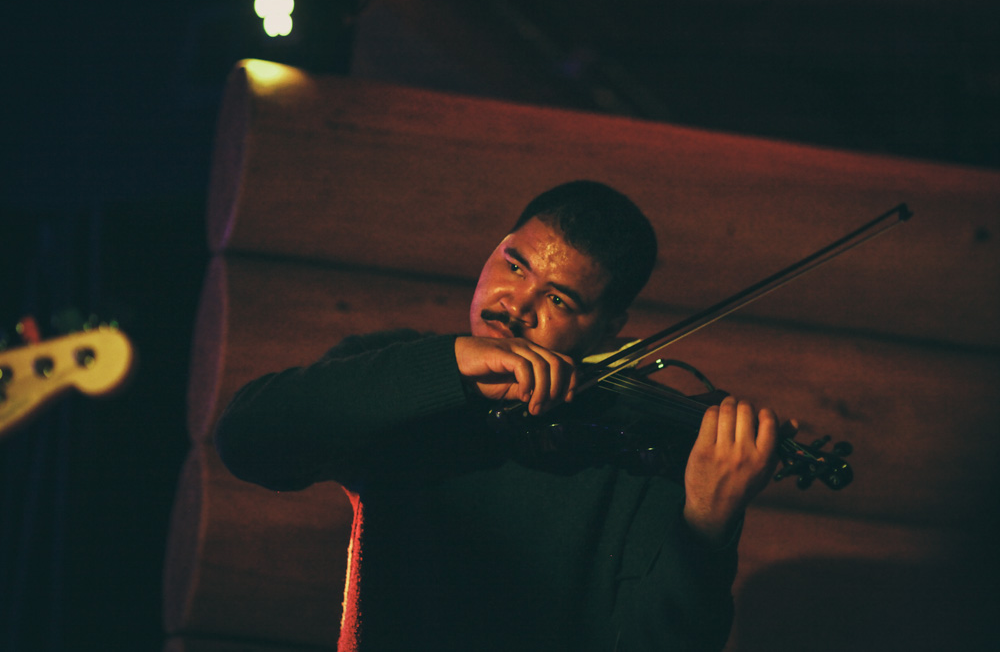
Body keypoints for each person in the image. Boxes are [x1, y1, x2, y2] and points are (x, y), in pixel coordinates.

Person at [214, 180, 782, 651]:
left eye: (558, 299)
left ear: (609, 329)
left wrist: (706, 527)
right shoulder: (405, 370)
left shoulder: (641, 449)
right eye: (514, 265)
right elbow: (248, 441)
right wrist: (449, 367)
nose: (516, 305)